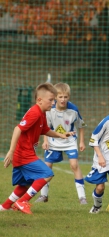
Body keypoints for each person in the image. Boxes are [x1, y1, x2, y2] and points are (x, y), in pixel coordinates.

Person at [0, 83, 75, 214]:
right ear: (39, 100)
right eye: (51, 100)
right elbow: (18, 129)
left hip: (24, 153)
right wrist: (11, 151)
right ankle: (22, 202)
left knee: (25, 184)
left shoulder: (41, 113)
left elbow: (45, 130)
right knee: (47, 174)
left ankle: (5, 206)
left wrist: (61, 135)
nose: (53, 103)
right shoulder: (35, 113)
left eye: (54, 100)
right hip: (23, 153)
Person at [34, 82, 87, 204]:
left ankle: (82, 197)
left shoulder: (73, 109)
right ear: (55, 97)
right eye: (60, 97)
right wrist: (45, 141)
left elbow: (81, 125)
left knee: (74, 165)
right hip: (53, 141)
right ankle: (44, 195)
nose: (63, 100)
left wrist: (82, 142)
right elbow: (45, 127)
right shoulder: (49, 109)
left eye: (66, 97)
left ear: (69, 97)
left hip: (70, 141)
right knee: (47, 167)